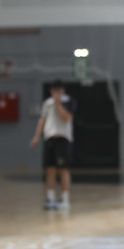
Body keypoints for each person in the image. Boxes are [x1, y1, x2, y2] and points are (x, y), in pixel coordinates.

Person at [30, 79, 76, 210]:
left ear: (63, 90)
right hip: (50, 138)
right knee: (50, 169)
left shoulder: (69, 101)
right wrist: (37, 136)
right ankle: (50, 198)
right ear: (51, 91)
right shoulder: (47, 103)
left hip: (63, 138)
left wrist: (58, 103)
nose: (57, 93)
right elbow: (42, 120)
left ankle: (65, 199)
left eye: (59, 90)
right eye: (55, 91)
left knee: (63, 169)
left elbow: (67, 117)